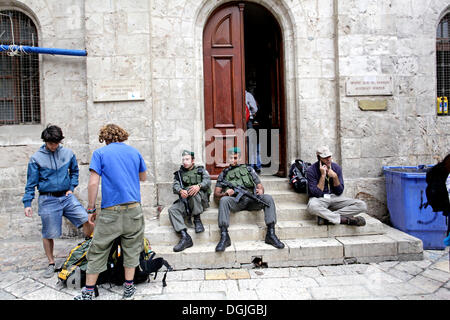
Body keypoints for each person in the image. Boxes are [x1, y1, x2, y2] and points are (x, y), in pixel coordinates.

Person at [75, 124, 147, 300]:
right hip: (133, 209)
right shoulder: (134, 152)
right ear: (122, 135)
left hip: (111, 212)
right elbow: (143, 177)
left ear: (104, 139)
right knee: (131, 249)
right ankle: (128, 288)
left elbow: (93, 183)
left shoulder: (100, 154)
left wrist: (91, 208)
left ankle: (89, 291)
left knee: (98, 249)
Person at [22, 124, 94, 279]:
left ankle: (89, 249)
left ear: (60, 141)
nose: (53, 146)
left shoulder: (68, 153)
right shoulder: (36, 158)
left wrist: (71, 187)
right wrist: (27, 203)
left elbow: (74, 171)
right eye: (50, 144)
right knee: (49, 233)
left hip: (66, 197)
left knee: (86, 219)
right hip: (48, 198)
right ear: (45, 141)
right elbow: (31, 183)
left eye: (56, 143)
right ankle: (51, 263)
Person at [213, 147, 284, 251]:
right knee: (224, 201)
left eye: (235, 158)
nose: (233, 160)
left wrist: (260, 191)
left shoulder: (249, 170)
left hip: (251, 200)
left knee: (268, 198)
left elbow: (260, 186)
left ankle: (271, 234)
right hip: (236, 202)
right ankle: (224, 236)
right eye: (231, 158)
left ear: (240, 158)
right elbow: (216, 194)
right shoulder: (224, 173)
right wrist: (225, 194)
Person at [306, 145, 367, 226]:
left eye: (329, 156)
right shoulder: (311, 170)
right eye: (325, 157)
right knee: (312, 207)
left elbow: (339, 191)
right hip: (320, 199)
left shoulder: (336, 167)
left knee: (362, 205)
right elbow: (316, 193)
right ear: (319, 158)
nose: (328, 159)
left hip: (335, 198)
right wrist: (323, 176)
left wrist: (335, 177)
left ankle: (327, 218)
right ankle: (344, 220)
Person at [168, 150, 212, 252]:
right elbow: (175, 185)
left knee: (193, 191)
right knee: (172, 210)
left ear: (193, 160)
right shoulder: (179, 174)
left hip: (200, 201)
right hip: (186, 201)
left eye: (187, 159)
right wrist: (180, 190)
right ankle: (185, 236)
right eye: (183, 159)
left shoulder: (201, 171)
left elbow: (208, 181)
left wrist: (199, 186)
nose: (185, 161)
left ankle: (197, 219)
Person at [245, 89, 261, 173]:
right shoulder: (247, 95)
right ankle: (251, 166)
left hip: (235, 122)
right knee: (250, 144)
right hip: (248, 122)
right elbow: (254, 108)